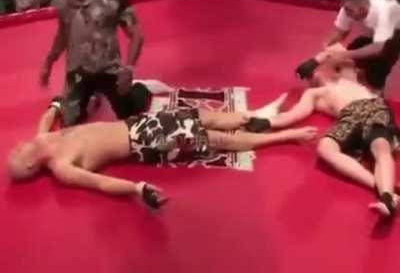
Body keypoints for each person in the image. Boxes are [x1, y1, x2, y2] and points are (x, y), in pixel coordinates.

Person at [7, 96, 317, 208]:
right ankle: (287, 134)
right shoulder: (62, 167)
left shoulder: (43, 137)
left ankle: (263, 117)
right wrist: (137, 188)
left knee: (204, 116)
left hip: (136, 124)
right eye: (20, 153)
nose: (20, 145)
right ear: (31, 164)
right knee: (216, 138)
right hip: (144, 141)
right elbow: (100, 183)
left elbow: (49, 113)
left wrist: (56, 104)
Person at [39, 0, 150, 127]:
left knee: (133, 117)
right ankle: (87, 101)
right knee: (69, 125)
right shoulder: (63, 2)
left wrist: (128, 68)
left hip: (109, 69)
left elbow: (136, 34)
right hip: (78, 72)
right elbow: (62, 35)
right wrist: (48, 62)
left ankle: (140, 90)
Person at [280, 55, 399, 217]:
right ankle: (384, 191)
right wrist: (267, 122)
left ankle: (386, 195)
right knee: (325, 148)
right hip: (348, 116)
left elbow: (341, 54)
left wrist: (318, 59)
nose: (314, 74)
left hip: (372, 107)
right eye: (312, 74)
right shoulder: (314, 93)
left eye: (317, 69)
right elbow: (295, 114)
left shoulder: (346, 77)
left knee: (380, 145)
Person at [322, 0, 400, 91]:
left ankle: (375, 88)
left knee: (377, 69)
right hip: (372, 34)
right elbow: (340, 32)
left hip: (394, 34)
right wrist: (326, 48)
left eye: (350, 11)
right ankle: (358, 78)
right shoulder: (348, 7)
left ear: (363, 9)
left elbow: (378, 49)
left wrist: (344, 54)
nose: (347, 14)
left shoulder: (384, 12)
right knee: (349, 56)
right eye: (346, 10)